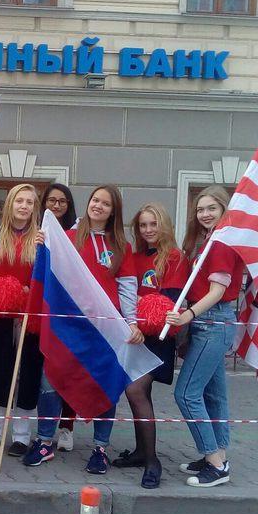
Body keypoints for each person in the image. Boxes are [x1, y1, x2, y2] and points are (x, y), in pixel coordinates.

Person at [23, 184, 143, 475]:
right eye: (95, 200)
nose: (98, 206)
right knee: (50, 380)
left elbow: (127, 287)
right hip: (67, 325)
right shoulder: (67, 238)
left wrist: (131, 321)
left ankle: (100, 448)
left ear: (113, 211)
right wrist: (43, 247)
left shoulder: (121, 247)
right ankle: (44, 441)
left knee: (104, 384)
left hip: (104, 330)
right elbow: (49, 273)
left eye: (105, 203)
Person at [165, 185, 243, 488]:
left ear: (224, 209)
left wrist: (188, 314)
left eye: (212, 208)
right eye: (200, 209)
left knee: (186, 394)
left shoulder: (221, 243)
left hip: (212, 322)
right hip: (211, 322)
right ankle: (218, 455)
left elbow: (217, 291)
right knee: (214, 394)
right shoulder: (211, 240)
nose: (205, 214)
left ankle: (215, 462)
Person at [111, 202, 190, 489]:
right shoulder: (134, 256)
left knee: (135, 390)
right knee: (138, 392)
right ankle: (141, 452)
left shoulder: (175, 257)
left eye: (153, 224)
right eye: (143, 225)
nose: (147, 230)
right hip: (136, 334)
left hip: (158, 337)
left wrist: (140, 310)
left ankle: (152, 461)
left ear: (164, 224)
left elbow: (171, 301)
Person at [0, 184, 44, 457]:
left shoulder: (41, 239)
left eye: (29, 202)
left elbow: (47, 278)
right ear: (10, 204)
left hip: (30, 317)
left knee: (28, 374)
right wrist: (5, 291)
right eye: (19, 201)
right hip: (0, 314)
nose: (24, 206)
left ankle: (22, 435)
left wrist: (29, 291)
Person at [42, 182, 78, 451]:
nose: (56, 205)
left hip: (70, 311)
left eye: (62, 201)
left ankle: (67, 427)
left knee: (69, 373)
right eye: (52, 200)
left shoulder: (76, 234)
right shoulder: (38, 231)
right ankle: (43, 430)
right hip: (44, 310)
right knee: (47, 374)